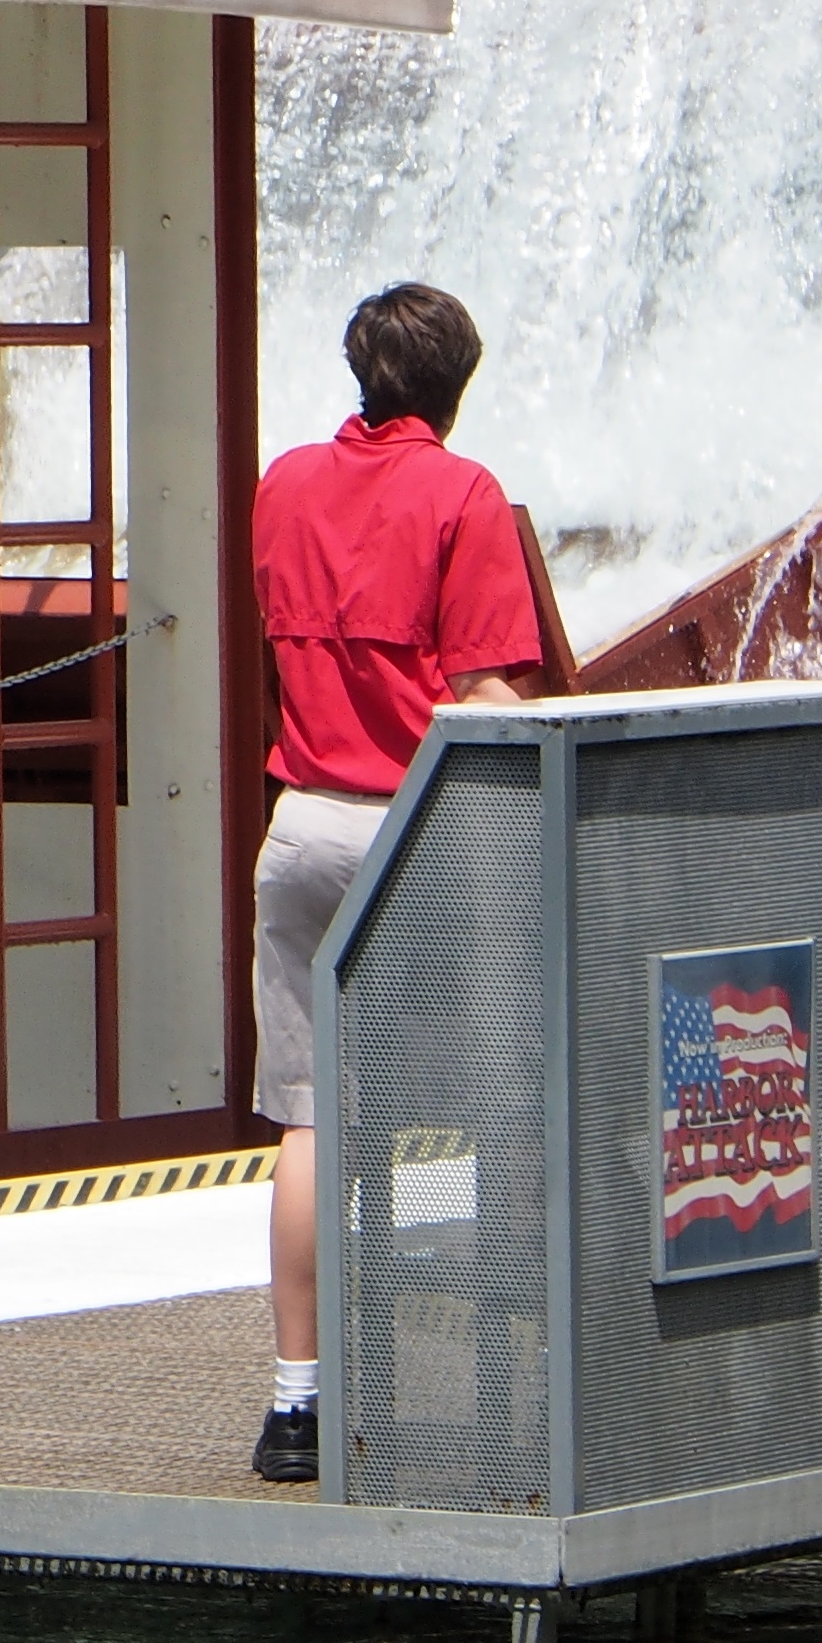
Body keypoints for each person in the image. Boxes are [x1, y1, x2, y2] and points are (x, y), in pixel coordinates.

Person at [244, 283, 538, 1484]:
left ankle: (294, 1407)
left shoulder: (283, 484)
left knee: (310, 1120)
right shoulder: (462, 496)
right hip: (418, 835)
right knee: (499, 1100)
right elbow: (487, 697)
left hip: (300, 829)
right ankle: (507, 1393)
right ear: (454, 387)